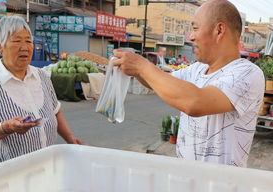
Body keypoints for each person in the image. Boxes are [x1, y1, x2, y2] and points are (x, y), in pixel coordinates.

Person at [113, 0, 265, 167]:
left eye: (195, 28)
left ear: (219, 30)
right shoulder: (197, 69)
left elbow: (195, 103)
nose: (191, 36)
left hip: (220, 187)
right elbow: (162, 82)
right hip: (186, 179)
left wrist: (142, 66)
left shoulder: (248, 73)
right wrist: (135, 70)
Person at [0, 16, 83, 163]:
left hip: (46, 167)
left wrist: (70, 138)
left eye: (28, 41)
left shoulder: (42, 76)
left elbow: (55, 111)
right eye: (17, 41)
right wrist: (7, 127)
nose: (25, 47)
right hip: (10, 173)